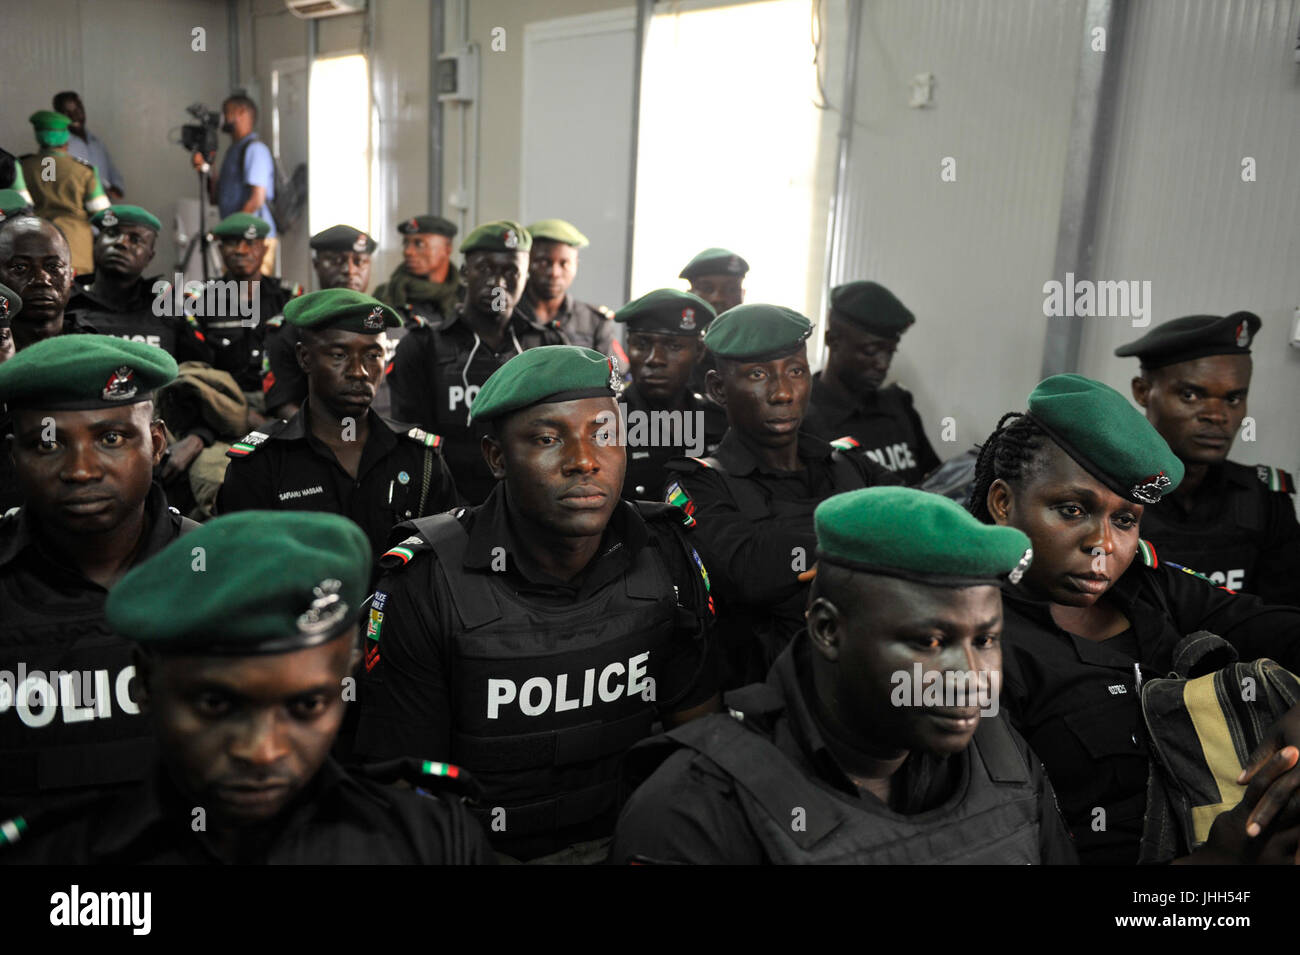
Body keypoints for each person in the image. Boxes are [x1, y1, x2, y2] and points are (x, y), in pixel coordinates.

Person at [355, 345, 719, 863]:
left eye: (604, 435)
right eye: (549, 439)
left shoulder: (666, 552)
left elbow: (700, 747)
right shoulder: (424, 583)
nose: (584, 462)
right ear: (496, 457)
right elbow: (409, 803)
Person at [611, 486, 1078, 864]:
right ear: (828, 630)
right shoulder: (696, 807)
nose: (970, 678)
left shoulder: (1003, 759)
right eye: (931, 643)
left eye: (985, 640)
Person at [0, 511, 496, 864]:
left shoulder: (432, 841)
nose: (262, 751)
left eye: (306, 705)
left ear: (346, 673)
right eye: (216, 704)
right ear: (145, 681)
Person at [967, 373, 1300, 864]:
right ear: (1003, 502)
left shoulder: (1150, 588)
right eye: (1072, 508)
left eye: (1125, 520)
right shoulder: (978, 648)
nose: (1103, 545)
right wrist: (1227, 857)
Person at [0, 336, 188, 818]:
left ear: (158, 443)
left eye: (111, 438)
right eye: (48, 443)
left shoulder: (227, 575)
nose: (80, 470)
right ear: (14, 456)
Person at [664, 304, 897, 689]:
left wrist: (821, 557)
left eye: (796, 371)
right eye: (758, 375)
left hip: (871, 684)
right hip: (766, 702)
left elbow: (923, 523)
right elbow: (748, 570)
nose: (783, 392)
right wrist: (870, 550)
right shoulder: (697, 481)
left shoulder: (848, 462)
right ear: (718, 389)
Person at [218, 289, 458, 561]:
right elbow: (240, 574)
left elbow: (446, 564)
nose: (359, 371)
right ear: (305, 358)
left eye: (372, 355)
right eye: (339, 355)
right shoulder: (262, 465)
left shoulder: (421, 460)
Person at [1115, 312, 1298, 605]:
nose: (1217, 415)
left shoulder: (1265, 499)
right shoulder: (1108, 494)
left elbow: (1283, 617)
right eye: (1190, 395)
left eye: (1233, 399)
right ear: (1143, 391)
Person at [387, 220, 567, 505]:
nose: (498, 283)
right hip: (444, 503)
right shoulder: (423, 346)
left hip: (529, 504)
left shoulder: (550, 346)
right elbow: (411, 438)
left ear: (526, 277)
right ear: (464, 273)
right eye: (485, 269)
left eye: (511, 271)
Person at [805, 281, 941, 486]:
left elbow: (937, 482)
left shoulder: (899, 408)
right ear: (833, 341)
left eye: (890, 351)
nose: (883, 364)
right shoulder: (803, 419)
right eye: (871, 351)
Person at [263, 224, 390, 420]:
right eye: (336, 261)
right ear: (316, 264)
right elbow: (283, 403)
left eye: (359, 261)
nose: (349, 270)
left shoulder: (392, 324)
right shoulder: (292, 329)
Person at [613, 288, 724, 498]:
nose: (655, 359)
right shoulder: (607, 425)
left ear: (699, 352)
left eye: (673, 345)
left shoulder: (719, 422)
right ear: (628, 346)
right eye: (642, 344)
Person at [65, 205, 208, 362]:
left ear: (150, 256)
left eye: (135, 239)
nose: (121, 243)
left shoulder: (168, 313)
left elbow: (194, 371)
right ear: (96, 243)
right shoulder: (66, 305)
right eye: (112, 234)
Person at [194, 212, 302, 404]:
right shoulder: (201, 300)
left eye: (250, 244)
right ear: (220, 250)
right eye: (232, 243)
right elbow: (195, 367)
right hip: (222, 403)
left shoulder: (290, 298)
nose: (241, 251)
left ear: (265, 249)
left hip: (282, 402)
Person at [192, 94, 277, 277]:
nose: (222, 118)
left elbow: (257, 199)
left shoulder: (255, 150)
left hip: (255, 238)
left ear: (241, 112)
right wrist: (206, 169)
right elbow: (216, 197)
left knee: (254, 294)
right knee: (232, 290)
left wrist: (229, 228)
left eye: (226, 112)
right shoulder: (233, 151)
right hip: (235, 237)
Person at [18, 110, 110, 276]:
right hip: (74, 253)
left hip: (31, 250)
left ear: (38, 136)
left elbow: (14, 209)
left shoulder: (21, 167)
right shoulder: (83, 171)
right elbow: (103, 214)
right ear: (65, 138)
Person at [518, 219, 622, 361]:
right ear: (527, 262)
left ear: (576, 265)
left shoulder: (594, 322)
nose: (554, 272)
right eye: (543, 262)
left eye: (564, 263)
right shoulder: (507, 316)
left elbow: (618, 376)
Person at [0, 215, 88, 351]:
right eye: (20, 267)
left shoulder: (94, 352)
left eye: (53, 266)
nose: (41, 279)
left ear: (71, 275)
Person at [679, 247, 748, 395]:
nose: (718, 298)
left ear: (742, 295)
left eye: (731, 289)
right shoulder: (674, 349)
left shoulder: (755, 348)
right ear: (689, 295)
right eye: (707, 288)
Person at [374, 214, 462, 324]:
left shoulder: (465, 298)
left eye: (419, 243)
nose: (408, 252)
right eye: (406, 243)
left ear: (447, 249)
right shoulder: (387, 294)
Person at [52, 91, 125, 201]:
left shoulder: (97, 143)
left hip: (102, 209)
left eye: (78, 110)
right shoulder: (58, 147)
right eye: (67, 113)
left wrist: (117, 187)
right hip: (75, 212)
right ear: (59, 116)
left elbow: (113, 173)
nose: (74, 116)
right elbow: (50, 185)